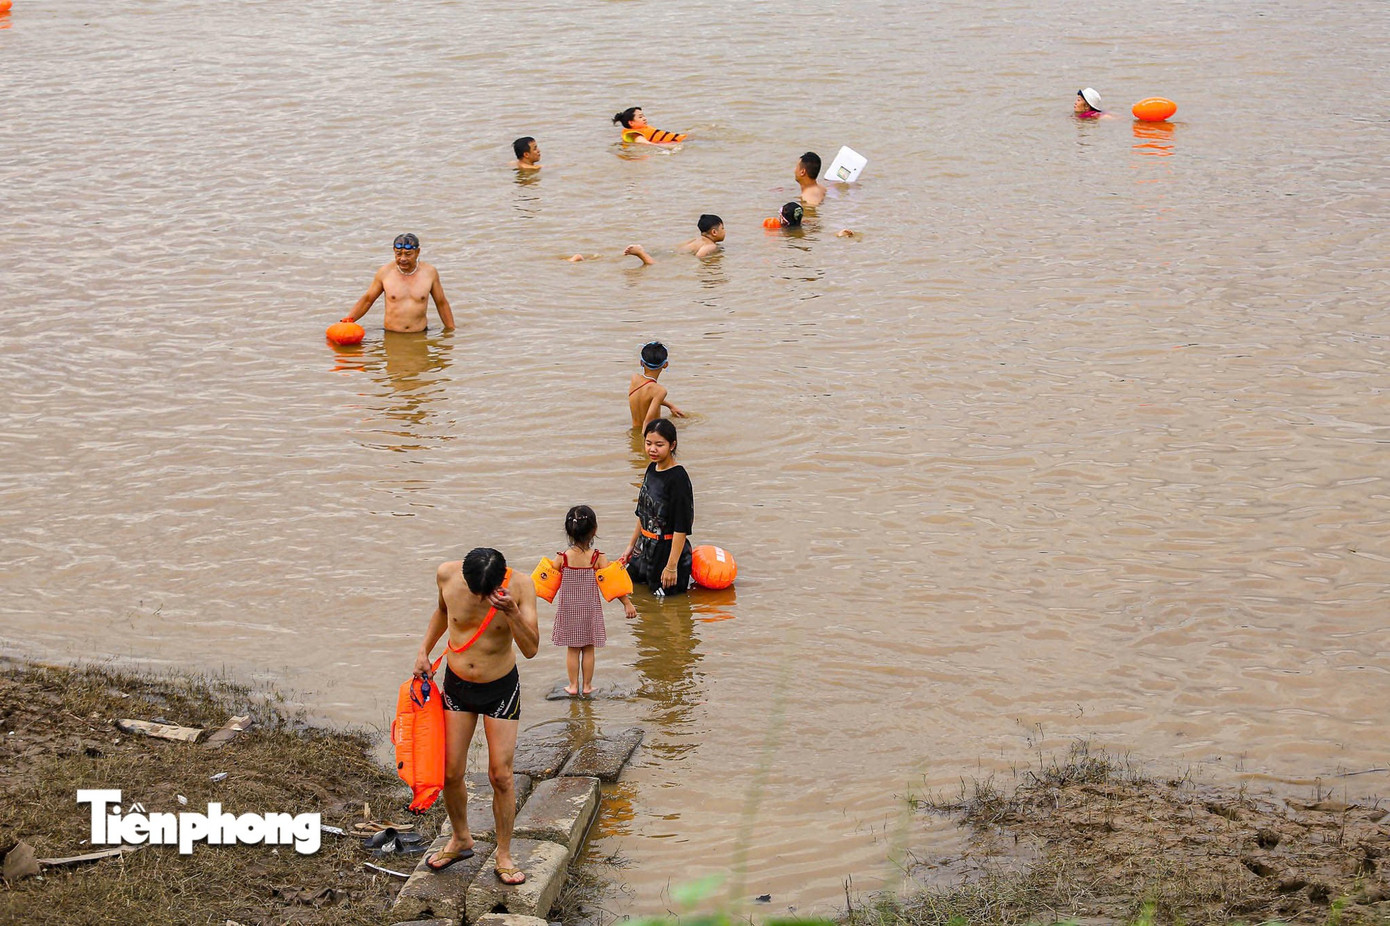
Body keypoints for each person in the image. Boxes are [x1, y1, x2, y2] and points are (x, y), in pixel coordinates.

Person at [414, 547, 539, 886]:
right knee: (450, 771)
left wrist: (512, 612)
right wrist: (423, 651)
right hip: (457, 686)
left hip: (500, 688)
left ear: (500, 582)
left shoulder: (522, 586)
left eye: (486, 593)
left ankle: (504, 854)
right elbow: (443, 613)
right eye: (474, 591)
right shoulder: (446, 574)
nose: (480, 598)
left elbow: (531, 649)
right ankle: (460, 838)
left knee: (501, 776)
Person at [550, 506, 637, 696]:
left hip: (569, 610)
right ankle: (587, 686)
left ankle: (573, 686)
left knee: (573, 649)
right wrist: (627, 603)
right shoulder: (597, 558)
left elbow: (546, 581)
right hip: (589, 610)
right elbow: (612, 583)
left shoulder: (563, 558)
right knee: (588, 649)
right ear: (594, 530)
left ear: (568, 531)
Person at [621, 419, 693, 595]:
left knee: (665, 605)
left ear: (672, 445)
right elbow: (643, 513)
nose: (652, 449)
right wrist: (631, 546)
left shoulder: (678, 479)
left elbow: (681, 527)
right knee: (632, 593)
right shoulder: (652, 469)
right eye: (648, 443)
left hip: (667, 551)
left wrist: (671, 567)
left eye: (659, 445)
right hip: (644, 549)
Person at [342, 234, 455, 333]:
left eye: (408, 254)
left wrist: (451, 332)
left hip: (420, 335)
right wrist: (348, 320)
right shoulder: (385, 272)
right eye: (398, 254)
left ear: (417, 252)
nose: (403, 258)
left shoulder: (430, 272)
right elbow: (368, 299)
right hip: (391, 335)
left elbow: (441, 303)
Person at [623, 215, 725, 265]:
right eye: (722, 228)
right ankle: (640, 253)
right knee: (656, 265)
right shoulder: (711, 245)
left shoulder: (696, 239)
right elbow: (699, 256)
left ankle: (642, 251)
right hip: (680, 256)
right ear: (714, 232)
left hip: (674, 252)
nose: (724, 231)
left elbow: (678, 246)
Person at [628, 340, 687, 427]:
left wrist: (670, 406)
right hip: (651, 431)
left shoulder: (634, 378)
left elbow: (646, 398)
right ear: (665, 365)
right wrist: (645, 436)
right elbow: (647, 422)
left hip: (635, 429)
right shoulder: (660, 391)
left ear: (641, 362)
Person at [612, 106, 687, 144]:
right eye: (640, 117)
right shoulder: (635, 135)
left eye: (643, 116)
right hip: (677, 141)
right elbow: (647, 144)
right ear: (631, 123)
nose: (644, 118)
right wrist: (669, 147)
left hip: (680, 139)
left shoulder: (640, 129)